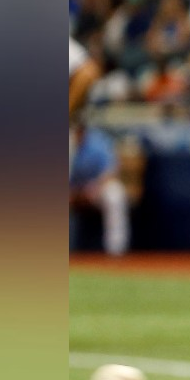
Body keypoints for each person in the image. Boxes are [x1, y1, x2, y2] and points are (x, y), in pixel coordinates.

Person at [69, 36, 130, 256]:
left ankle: (115, 255)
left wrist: (87, 191)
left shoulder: (95, 139)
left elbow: (88, 73)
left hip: (89, 190)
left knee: (114, 194)